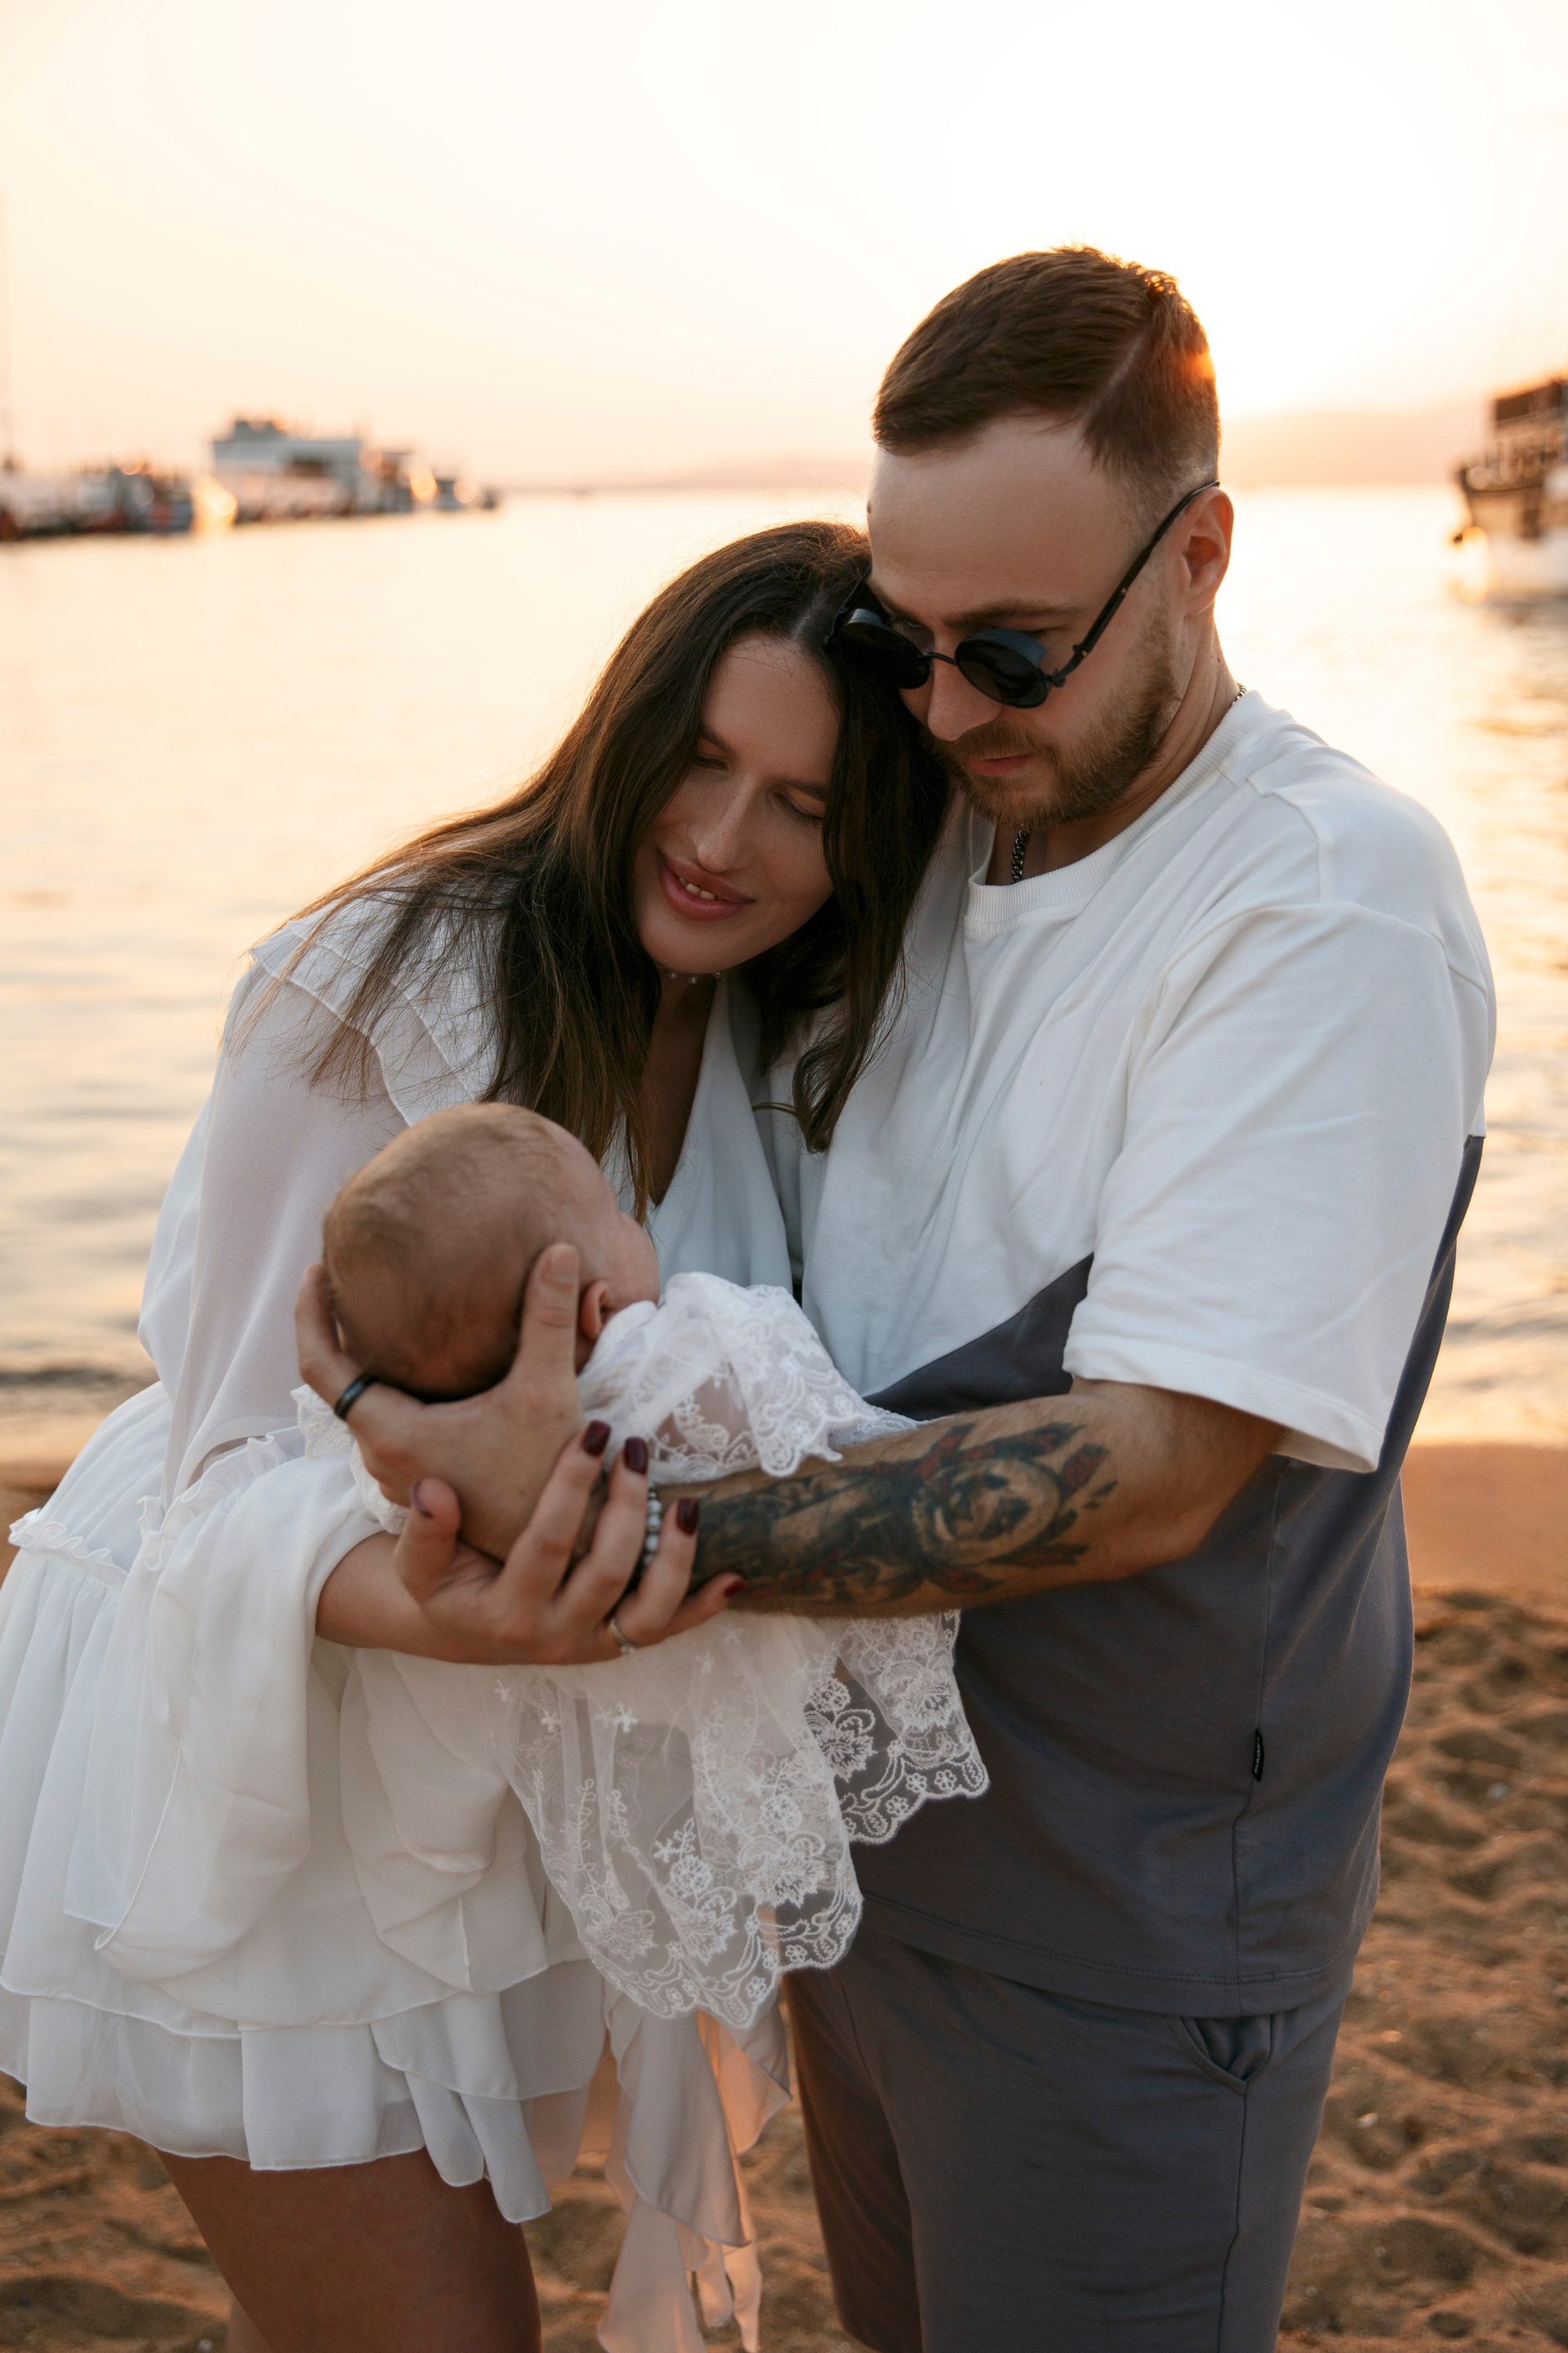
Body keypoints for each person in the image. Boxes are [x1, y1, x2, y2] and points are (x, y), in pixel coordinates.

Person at [313, 251, 1494, 2353]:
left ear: (1201, 554)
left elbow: (1155, 1468)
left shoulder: (1322, 899)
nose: (941, 713)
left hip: (1117, 1926)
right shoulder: (939, 831)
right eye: (902, 641)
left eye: (1011, 653)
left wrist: (594, 1522)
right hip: (861, 1872)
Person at [0, 519, 949, 2353]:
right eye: (698, 760)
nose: (721, 839)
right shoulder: (377, 981)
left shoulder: (767, 1023)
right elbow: (217, 1482)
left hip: (474, 1743)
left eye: (803, 805)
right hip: (258, 1722)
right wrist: (469, 1606)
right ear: (625, 727)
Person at [306, 1099, 981, 2023]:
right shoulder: (679, 1359)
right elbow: (821, 1422)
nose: (639, 1224)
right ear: (594, 1306)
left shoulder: (422, 1457)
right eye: (618, 1214)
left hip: (629, 1699)